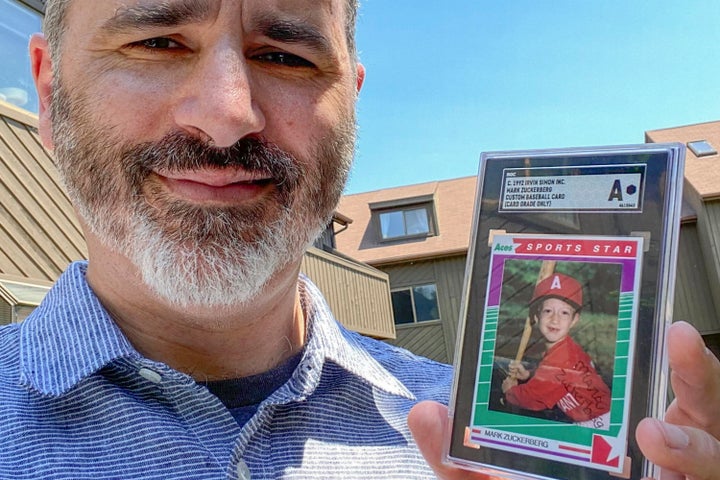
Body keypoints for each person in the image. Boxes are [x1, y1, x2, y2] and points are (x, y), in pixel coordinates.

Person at [0, 0, 718, 478]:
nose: (227, 115)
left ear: (354, 106)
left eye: (285, 56)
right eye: (157, 42)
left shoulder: (499, 449)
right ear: (50, 91)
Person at [501, 273, 611, 428]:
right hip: (594, 415)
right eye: (548, 311)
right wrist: (529, 374)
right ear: (537, 316)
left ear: (574, 320)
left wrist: (510, 391)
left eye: (564, 313)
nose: (555, 319)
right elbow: (557, 377)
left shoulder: (560, 359)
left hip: (598, 422)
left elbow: (534, 398)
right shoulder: (565, 348)